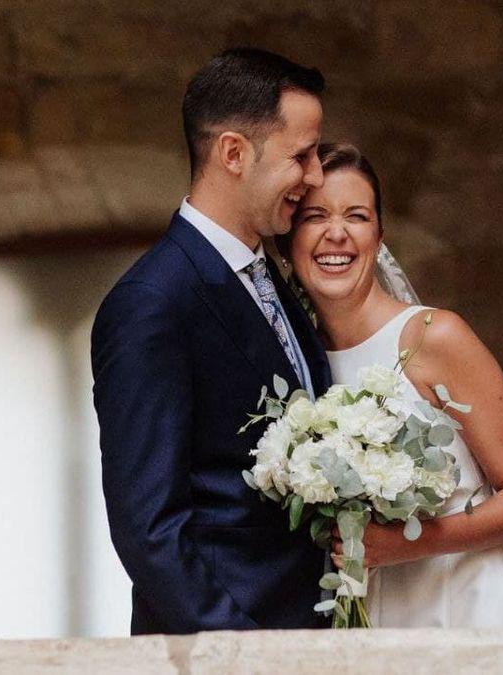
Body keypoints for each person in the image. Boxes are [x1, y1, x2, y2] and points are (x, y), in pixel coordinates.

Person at [283, 142, 503, 627]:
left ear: (378, 237)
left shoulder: (433, 336)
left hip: (474, 602)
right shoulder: (299, 360)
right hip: (380, 609)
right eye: (316, 216)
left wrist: (408, 543)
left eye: (356, 216)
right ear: (289, 237)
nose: (336, 234)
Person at [90, 48, 333, 634]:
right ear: (233, 153)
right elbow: (150, 529)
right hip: (229, 645)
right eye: (301, 155)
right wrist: (243, 653)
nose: (317, 175)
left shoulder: (275, 275)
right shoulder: (152, 301)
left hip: (310, 631)